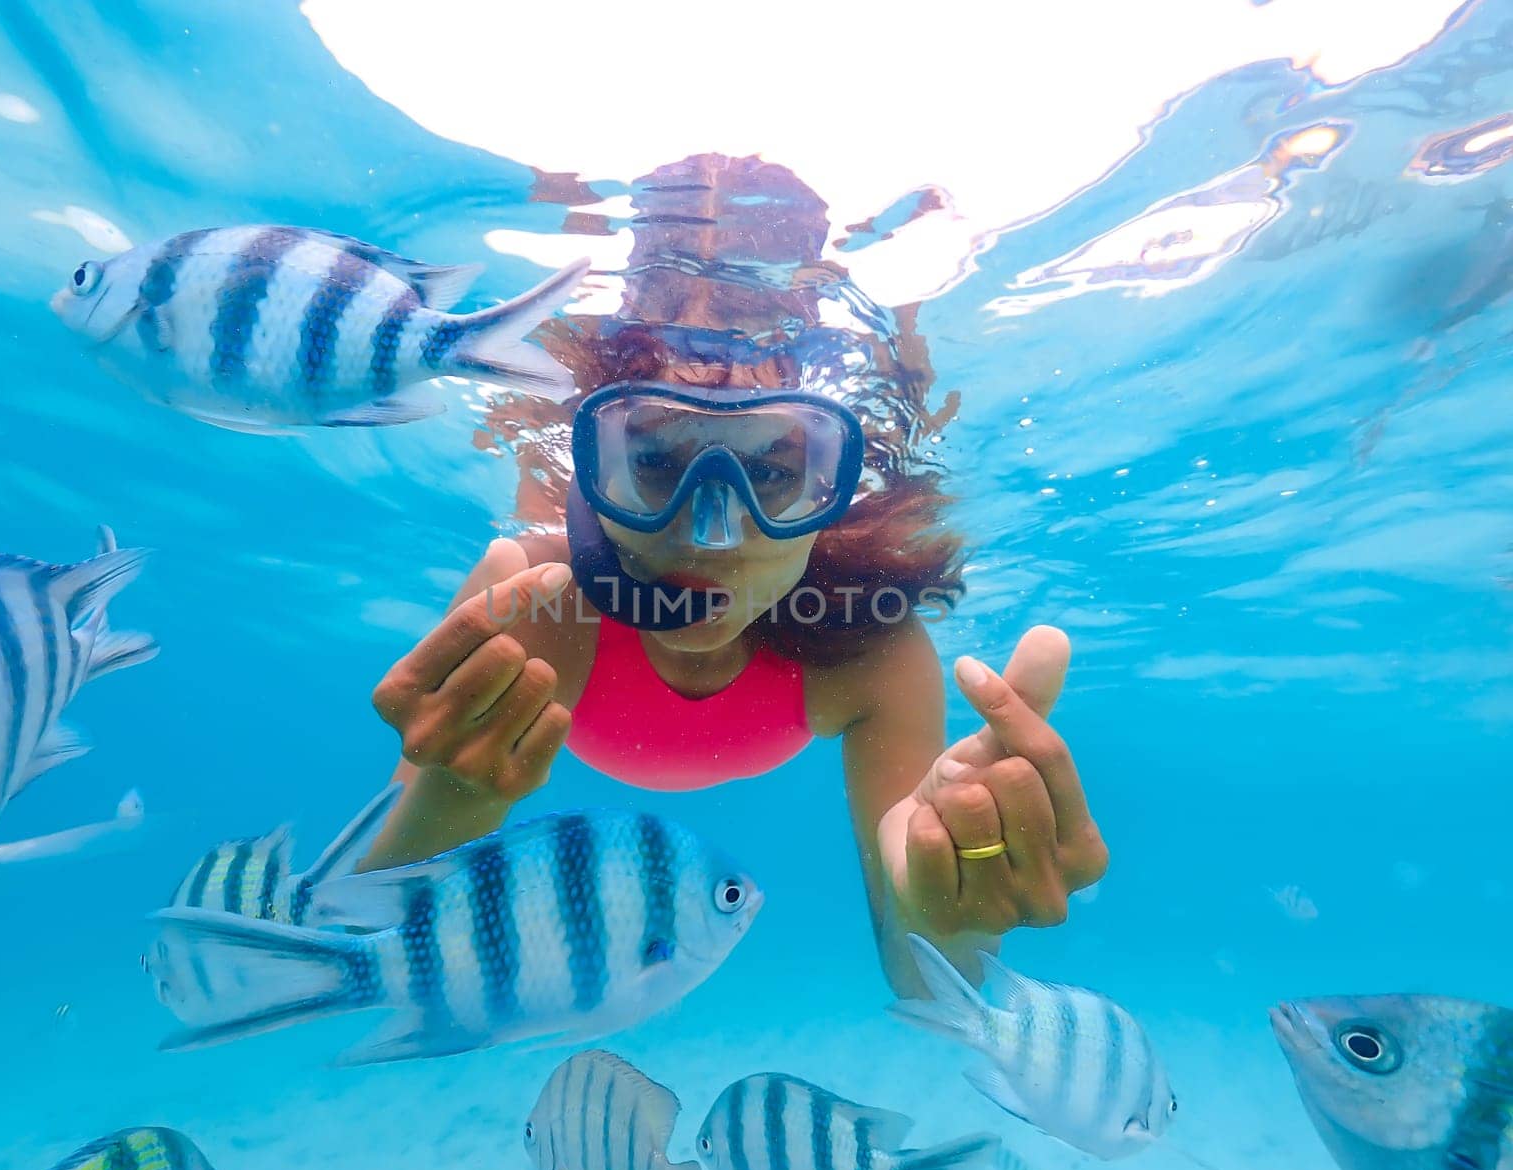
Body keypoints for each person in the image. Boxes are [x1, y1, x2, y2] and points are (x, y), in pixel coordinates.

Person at [361, 155, 1107, 995]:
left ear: (833, 486)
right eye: (652, 457)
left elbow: (931, 984)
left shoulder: (870, 651)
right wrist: (449, 796)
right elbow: (363, 925)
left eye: (777, 474)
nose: (711, 535)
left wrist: (947, 889)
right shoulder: (540, 606)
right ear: (592, 469)